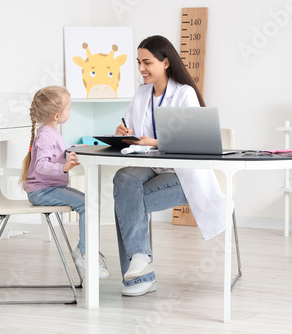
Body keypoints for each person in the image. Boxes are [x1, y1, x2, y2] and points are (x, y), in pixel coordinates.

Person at [113, 35, 227, 296]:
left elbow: (192, 139)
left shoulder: (184, 92)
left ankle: (139, 278)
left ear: (165, 62)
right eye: (139, 62)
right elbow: (133, 132)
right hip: (151, 164)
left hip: (182, 171)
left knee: (126, 201)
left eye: (147, 62)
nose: (141, 68)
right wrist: (124, 132)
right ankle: (140, 258)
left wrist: (153, 141)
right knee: (123, 179)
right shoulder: (142, 93)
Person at [19, 85, 110, 279]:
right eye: (68, 108)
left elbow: (56, 155)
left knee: (90, 203)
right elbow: (42, 165)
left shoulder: (51, 132)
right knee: (87, 205)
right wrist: (64, 167)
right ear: (56, 116)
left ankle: (85, 250)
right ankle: (85, 253)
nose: (70, 112)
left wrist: (75, 150)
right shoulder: (45, 135)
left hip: (51, 188)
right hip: (42, 191)